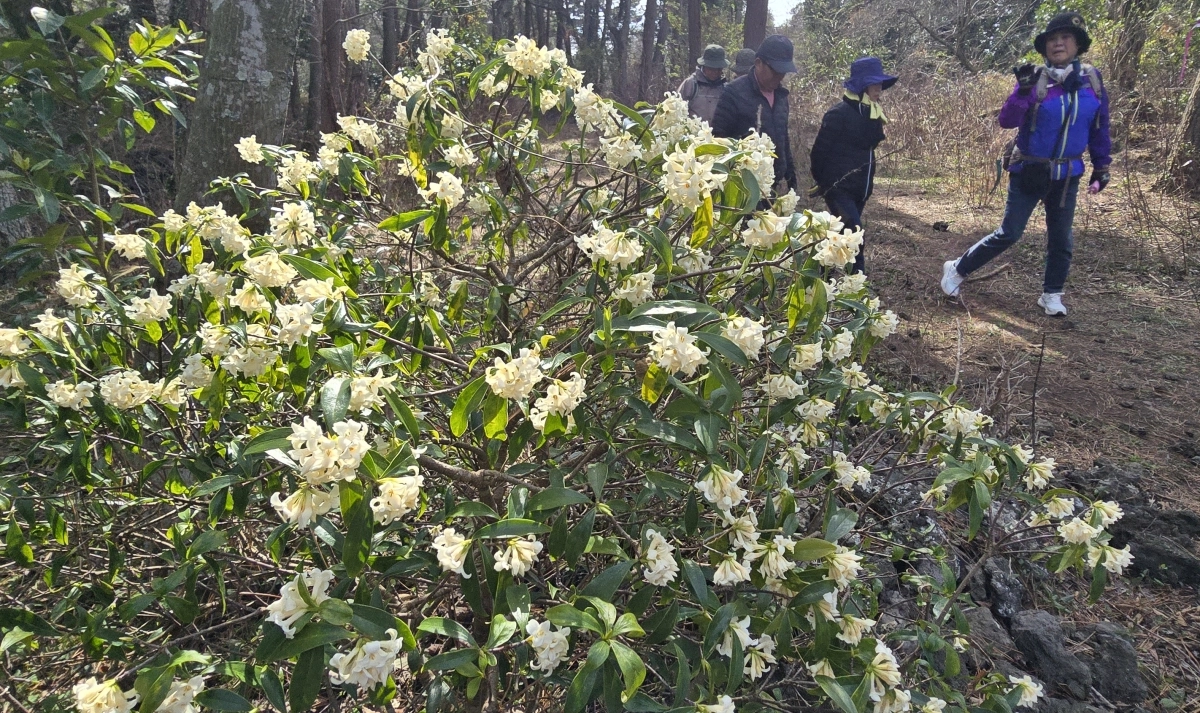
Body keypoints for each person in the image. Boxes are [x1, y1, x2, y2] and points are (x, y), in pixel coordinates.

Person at [941, 11, 1111, 316]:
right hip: (1030, 170)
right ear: (1044, 46)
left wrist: (1101, 167)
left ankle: (1052, 294)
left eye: (1065, 38)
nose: (1058, 44)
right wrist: (1021, 91)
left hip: (1067, 173)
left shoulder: (1092, 81)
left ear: (1078, 45)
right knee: (1010, 233)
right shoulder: (1035, 79)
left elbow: (1100, 127)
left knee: (1061, 238)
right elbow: (1007, 120)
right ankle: (957, 268)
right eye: (1052, 39)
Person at [809, 56, 897, 274]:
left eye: (880, 84)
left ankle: (821, 280)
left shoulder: (872, 113)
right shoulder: (838, 114)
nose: (879, 89)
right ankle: (858, 286)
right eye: (874, 84)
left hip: (860, 190)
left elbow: (870, 145)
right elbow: (818, 153)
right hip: (839, 190)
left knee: (839, 237)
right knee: (856, 236)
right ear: (862, 86)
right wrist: (825, 184)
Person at [711, 35, 799, 194]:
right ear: (758, 63)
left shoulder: (781, 96)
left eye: (783, 72)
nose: (779, 77)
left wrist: (790, 175)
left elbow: (783, 137)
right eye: (775, 70)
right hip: (743, 185)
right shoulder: (734, 92)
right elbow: (718, 138)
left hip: (772, 184)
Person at [678, 44, 729, 124]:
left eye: (719, 69)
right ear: (704, 66)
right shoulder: (691, 84)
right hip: (693, 130)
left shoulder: (725, 87)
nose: (715, 72)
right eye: (711, 69)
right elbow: (677, 108)